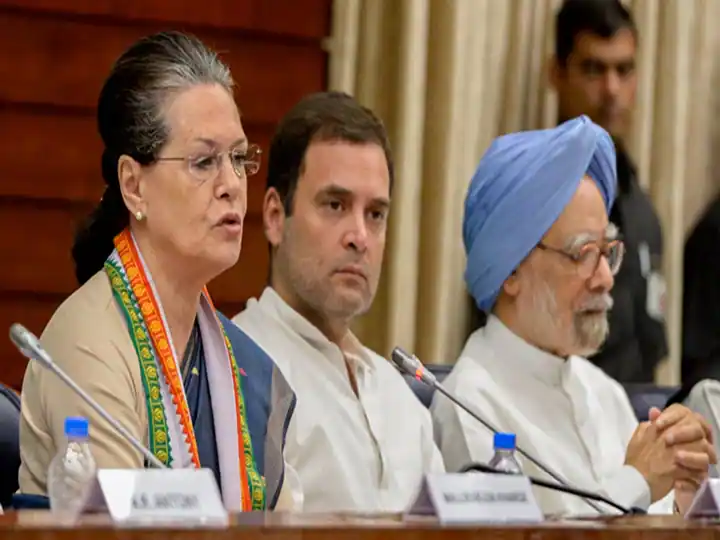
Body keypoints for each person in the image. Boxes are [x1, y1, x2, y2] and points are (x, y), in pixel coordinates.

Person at [18, 31, 299, 512]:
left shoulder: (244, 365)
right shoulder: (88, 343)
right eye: (204, 161)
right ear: (134, 186)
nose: (232, 184)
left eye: (237, 158)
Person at [431, 116, 715, 517]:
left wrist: (685, 496)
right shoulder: (470, 407)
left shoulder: (604, 394)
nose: (604, 278)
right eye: (582, 254)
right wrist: (636, 480)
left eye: (607, 252)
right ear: (511, 271)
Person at [232, 91, 444, 513]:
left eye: (375, 214)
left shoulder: (398, 392)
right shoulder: (236, 369)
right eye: (335, 205)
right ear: (275, 217)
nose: (359, 237)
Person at [548, 0, 666, 383]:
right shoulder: (537, 201)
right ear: (557, 74)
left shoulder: (642, 210)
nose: (612, 89)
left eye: (624, 70)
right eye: (593, 69)